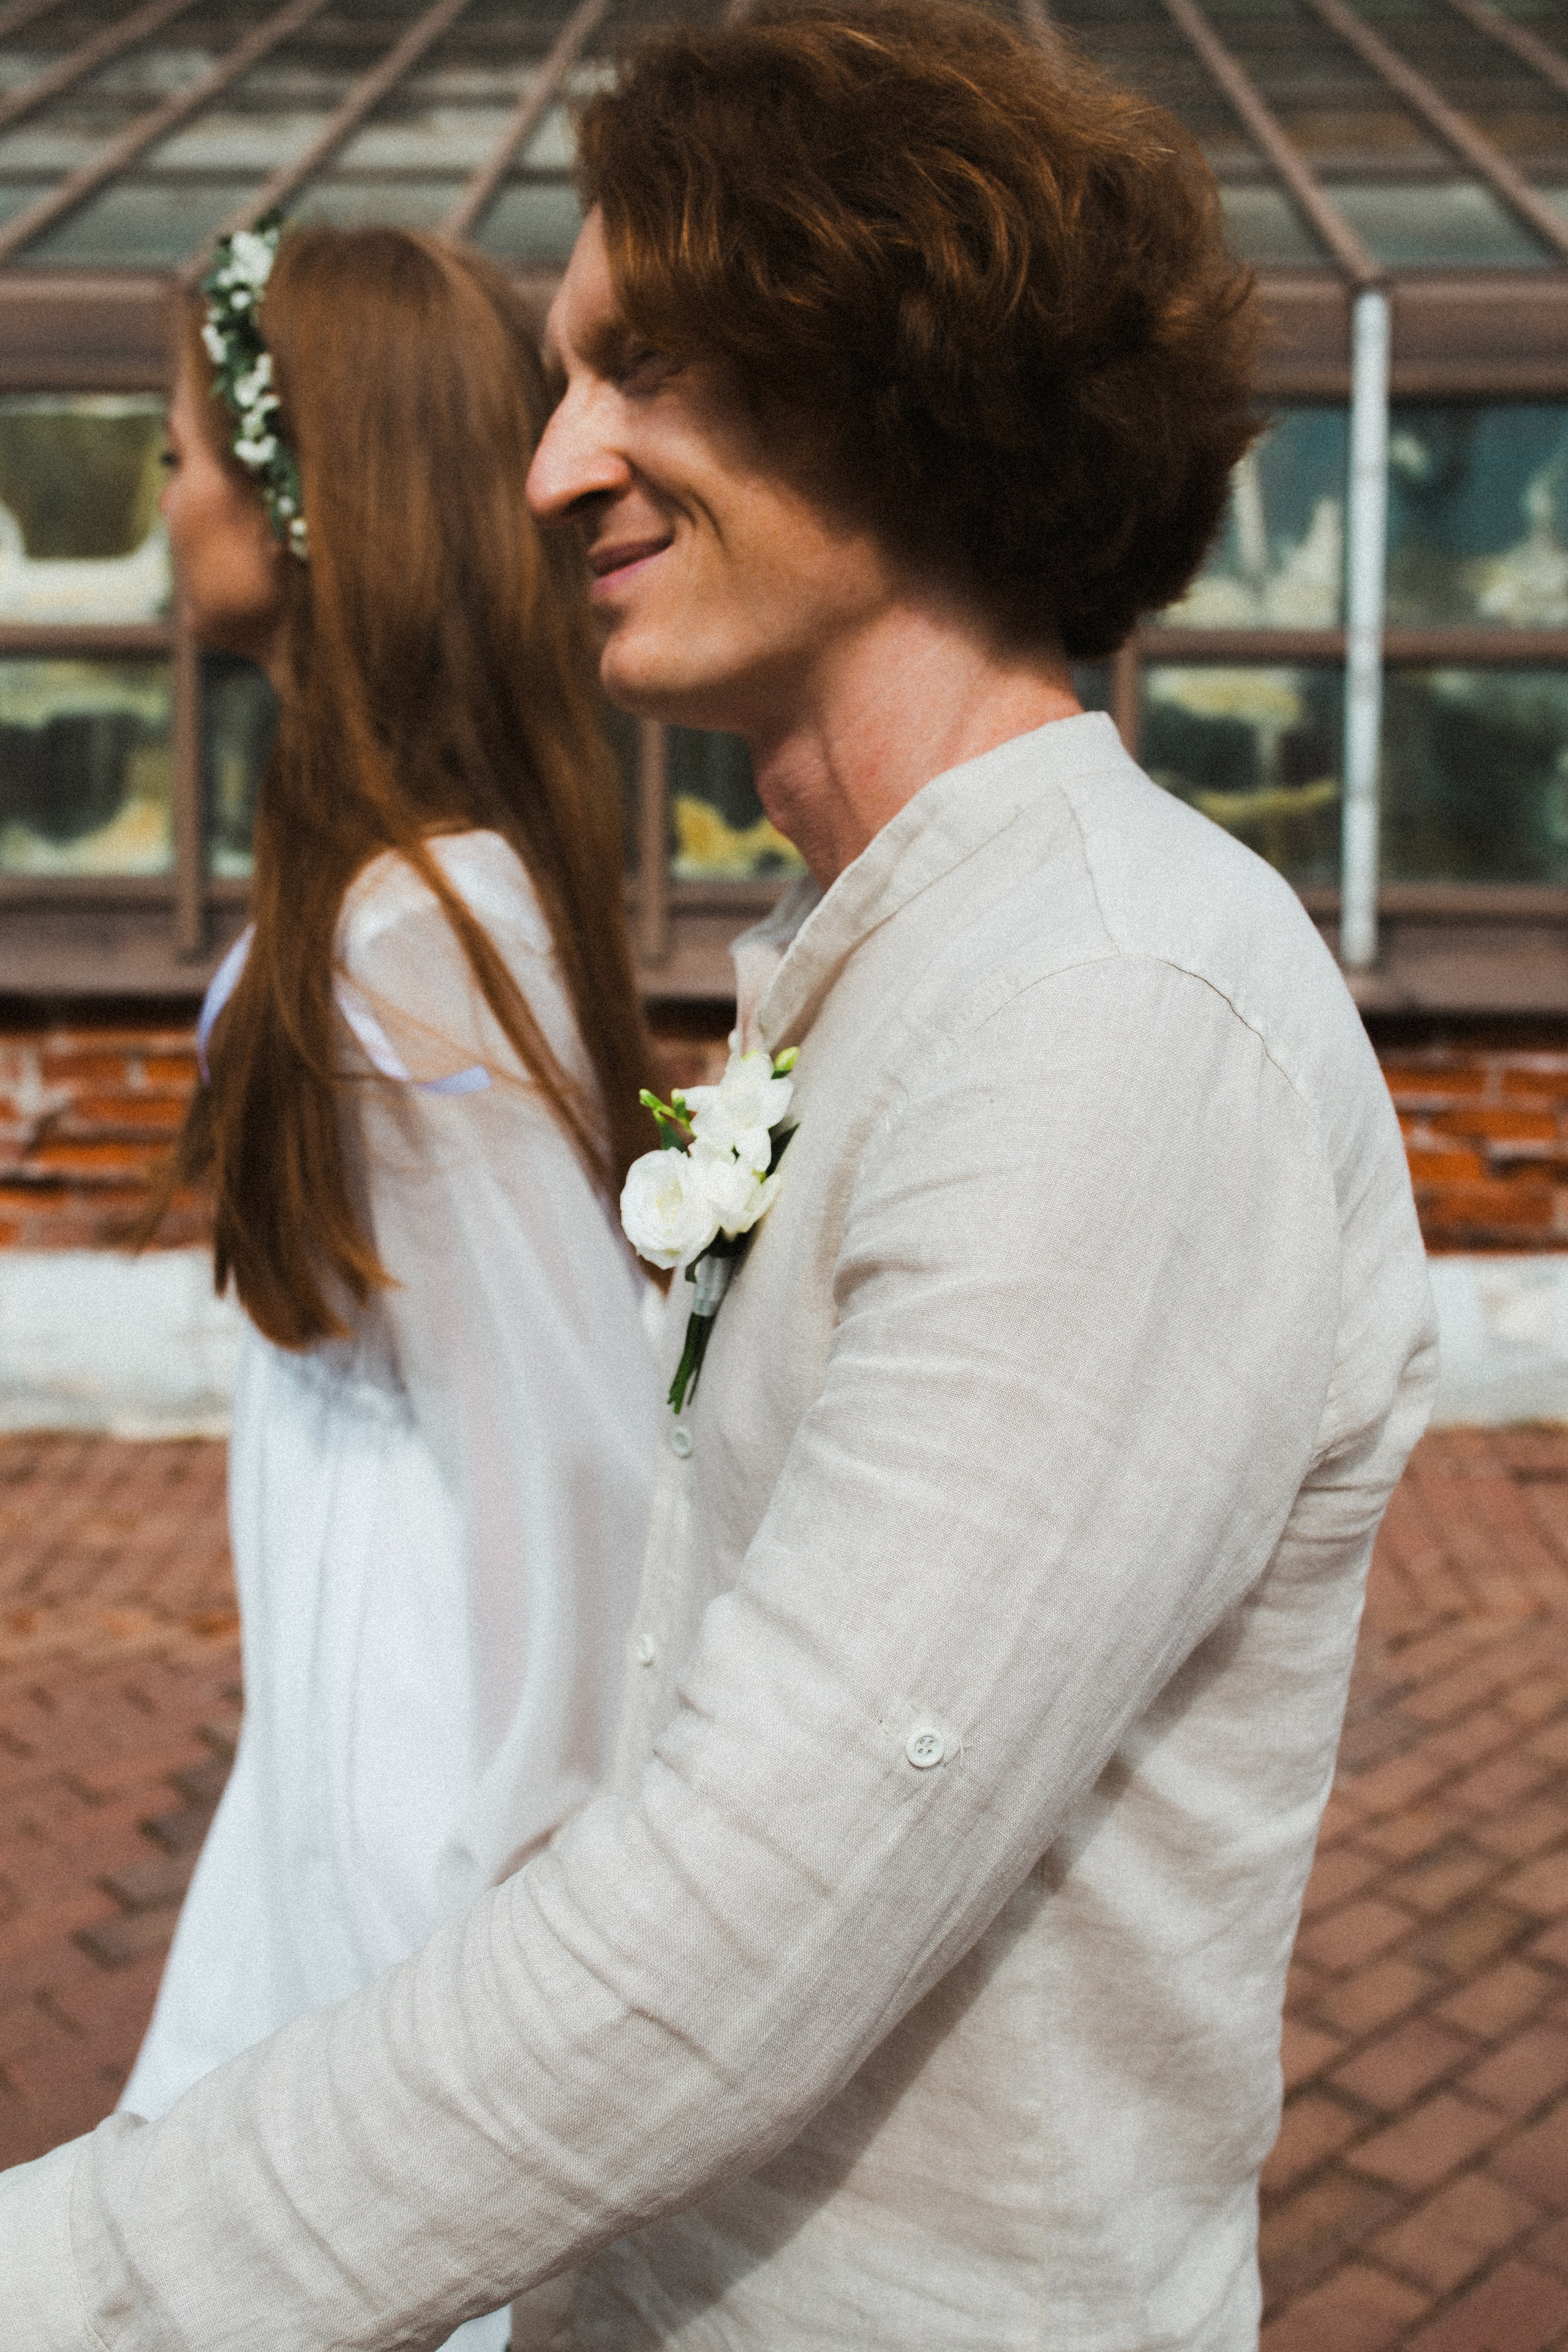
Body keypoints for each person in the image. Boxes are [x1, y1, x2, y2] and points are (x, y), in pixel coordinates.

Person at [2, 8, 1436, 2348]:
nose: (555, 465)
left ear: (902, 364)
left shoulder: (1109, 1011)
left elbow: (745, 1921)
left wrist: (82, 2273)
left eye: (643, 366)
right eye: (562, 380)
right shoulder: (890, 962)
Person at [110, 220, 662, 2351]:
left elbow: (571, 1448)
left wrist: (523, 1919)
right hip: (332, 1696)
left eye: (181, 450)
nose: (159, 498)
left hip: (414, 1728)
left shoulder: (417, 930)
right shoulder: (385, 882)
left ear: (306, 490)